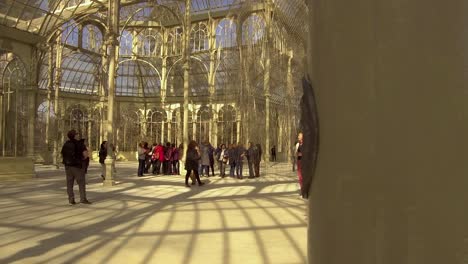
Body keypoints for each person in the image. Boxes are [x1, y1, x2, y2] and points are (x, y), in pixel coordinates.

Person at [61, 129, 91, 205]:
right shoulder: (80, 144)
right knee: (81, 183)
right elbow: (85, 155)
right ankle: (83, 199)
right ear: (75, 136)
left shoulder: (66, 144)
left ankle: (71, 200)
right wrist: (82, 160)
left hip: (67, 166)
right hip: (77, 166)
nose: (78, 135)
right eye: (76, 134)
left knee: (69, 183)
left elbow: (62, 154)